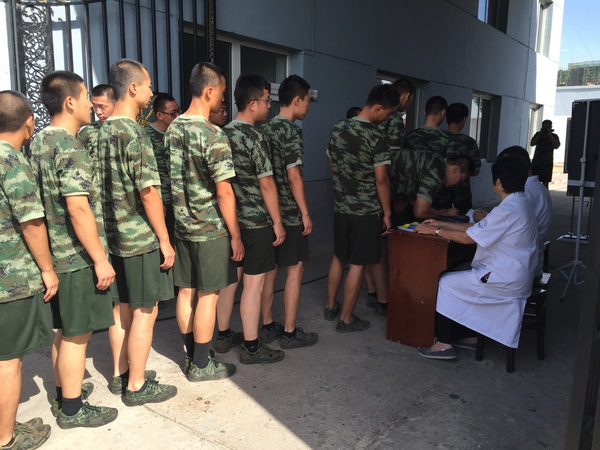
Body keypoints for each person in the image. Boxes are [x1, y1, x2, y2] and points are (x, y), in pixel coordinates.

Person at [29, 71, 118, 428]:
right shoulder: (69, 146)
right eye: (85, 99)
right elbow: (78, 208)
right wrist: (100, 259)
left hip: (53, 254)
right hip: (75, 256)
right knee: (77, 335)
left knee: (64, 331)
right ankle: (72, 408)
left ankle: (64, 391)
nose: (90, 106)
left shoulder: (38, 141)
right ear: (69, 102)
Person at [98, 58, 177, 405]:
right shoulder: (134, 133)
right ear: (133, 88)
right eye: (148, 85)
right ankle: (136, 385)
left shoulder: (102, 131)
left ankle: (122, 374)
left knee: (121, 308)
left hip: (113, 237)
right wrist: (164, 239)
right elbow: (148, 192)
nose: (151, 91)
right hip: (138, 238)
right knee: (146, 310)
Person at [414, 156, 537, 360]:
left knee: (445, 283)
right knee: (458, 274)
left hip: (504, 279)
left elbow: (467, 238)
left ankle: (443, 344)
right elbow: (478, 227)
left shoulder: (507, 210)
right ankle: (469, 336)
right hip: (514, 275)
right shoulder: (521, 204)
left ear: (498, 182)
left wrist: (435, 231)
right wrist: (441, 224)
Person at [164, 61, 241, 381]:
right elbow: (224, 192)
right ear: (209, 91)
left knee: (186, 291)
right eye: (221, 92)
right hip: (210, 229)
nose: (223, 99)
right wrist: (236, 235)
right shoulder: (213, 134)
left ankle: (191, 352)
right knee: (209, 295)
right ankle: (200, 364)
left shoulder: (172, 129)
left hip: (182, 226)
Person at [0, 90, 57, 449]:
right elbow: (32, 223)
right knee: (9, 361)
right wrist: (47, 270)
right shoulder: (12, 161)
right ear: (29, 122)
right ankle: (5, 437)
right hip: (11, 279)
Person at [220, 73, 286, 364]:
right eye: (267, 100)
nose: (270, 106)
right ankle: (251, 346)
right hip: (256, 222)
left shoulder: (221, 133)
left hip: (230, 222)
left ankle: (223, 336)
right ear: (252, 103)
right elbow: (267, 183)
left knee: (230, 282)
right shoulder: (255, 137)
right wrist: (278, 221)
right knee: (253, 284)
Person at [324, 84, 399, 332]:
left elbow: (333, 167)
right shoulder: (377, 137)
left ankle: (331, 306)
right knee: (357, 264)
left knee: (338, 257)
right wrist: (387, 213)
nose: (386, 118)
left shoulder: (338, 128)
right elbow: (381, 180)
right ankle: (346, 319)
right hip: (366, 211)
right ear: (377, 108)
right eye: (387, 113)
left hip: (341, 207)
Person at [258, 75, 318, 349]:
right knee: (295, 270)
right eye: (307, 102)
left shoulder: (264, 128)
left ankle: (267, 324)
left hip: (269, 213)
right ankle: (290, 333)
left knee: (271, 270)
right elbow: (294, 176)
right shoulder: (291, 131)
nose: (308, 107)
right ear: (296, 100)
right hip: (290, 214)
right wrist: (305, 212)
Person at [364, 78, 415, 314]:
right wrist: (397, 195)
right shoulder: (393, 118)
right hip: (382, 189)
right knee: (383, 245)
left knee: (369, 245)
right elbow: (391, 163)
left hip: (364, 191)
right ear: (406, 96)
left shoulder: (367, 118)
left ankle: (372, 291)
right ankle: (385, 297)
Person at [474, 146, 552, 279]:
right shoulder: (537, 187)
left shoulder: (527, 191)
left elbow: (511, 221)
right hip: (526, 259)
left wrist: (487, 218)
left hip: (520, 265)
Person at [390, 151, 472, 224]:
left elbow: (414, 201)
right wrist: (445, 213)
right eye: (461, 179)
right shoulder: (436, 173)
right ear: (456, 170)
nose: (457, 184)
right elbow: (420, 212)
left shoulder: (436, 160)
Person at [434, 102, 482, 213]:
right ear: (464, 119)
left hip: (437, 193)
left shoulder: (436, 139)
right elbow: (476, 170)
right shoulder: (469, 142)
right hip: (461, 196)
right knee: (462, 220)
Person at [146, 93, 181, 242]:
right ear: (159, 115)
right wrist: (158, 200)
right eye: (173, 113)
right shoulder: (146, 136)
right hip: (161, 200)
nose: (177, 116)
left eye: (178, 111)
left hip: (178, 199)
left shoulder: (177, 133)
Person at [78, 84, 115, 161]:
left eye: (102, 107)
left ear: (115, 104)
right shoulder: (87, 132)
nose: (98, 112)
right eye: (94, 106)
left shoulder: (124, 129)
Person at [380, 78, 415, 151]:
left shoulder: (380, 110)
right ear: (407, 96)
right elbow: (393, 151)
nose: (410, 102)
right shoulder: (395, 118)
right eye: (411, 98)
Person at [530, 120, 560, 188]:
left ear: (551, 126)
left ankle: (544, 194)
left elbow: (556, 146)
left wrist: (550, 135)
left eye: (548, 126)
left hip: (547, 162)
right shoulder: (538, 134)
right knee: (535, 181)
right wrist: (540, 134)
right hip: (537, 162)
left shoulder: (554, 136)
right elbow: (532, 143)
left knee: (545, 182)